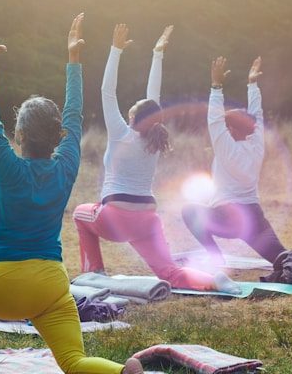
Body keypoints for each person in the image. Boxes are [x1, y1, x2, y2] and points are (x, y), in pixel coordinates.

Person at [0, 15, 142, 374]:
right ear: (58, 136)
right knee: (73, 362)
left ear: (19, 136)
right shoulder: (66, 166)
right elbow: (74, 115)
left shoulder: (9, 169)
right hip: (51, 287)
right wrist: (74, 60)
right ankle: (122, 371)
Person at [73, 24, 239, 293]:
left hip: (114, 217)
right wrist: (157, 54)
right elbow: (154, 98)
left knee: (80, 214)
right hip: (147, 219)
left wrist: (115, 50)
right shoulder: (154, 140)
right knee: (169, 272)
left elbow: (107, 91)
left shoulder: (121, 133)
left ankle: (95, 273)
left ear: (132, 116)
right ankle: (215, 280)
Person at [182, 56, 286, 267]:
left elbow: (214, 121)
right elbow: (257, 115)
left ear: (231, 130)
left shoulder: (226, 149)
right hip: (254, 218)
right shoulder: (256, 143)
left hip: (227, 218)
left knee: (189, 211)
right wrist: (252, 84)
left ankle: (215, 257)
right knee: (284, 260)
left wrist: (216, 86)